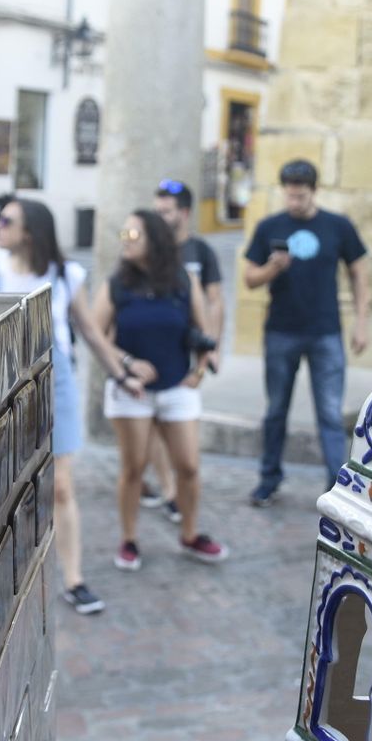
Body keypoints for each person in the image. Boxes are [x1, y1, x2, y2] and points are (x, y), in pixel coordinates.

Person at [0, 197, 129, 615]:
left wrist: (121, 374)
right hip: (1, 387)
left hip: (57, 382)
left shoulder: (65, 273)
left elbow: (89, 331)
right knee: (1, 486)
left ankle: (73, 578)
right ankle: (7, 575)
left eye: (7, 220)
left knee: (61, 485)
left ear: (30, 231)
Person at [92, 210, 228, 571]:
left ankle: (190, 534)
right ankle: (129, 539)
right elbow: (96, 336)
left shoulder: (183, 280)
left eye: (133, 234)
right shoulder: (116, 283)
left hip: (177, 386)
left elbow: (205, 334)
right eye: (123, 233)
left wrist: (199, 372)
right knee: (134, 468)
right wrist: (127, 363)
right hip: (131, 391)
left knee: (189, 466)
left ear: (155, 240)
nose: (125, 240)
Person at [243, 159, 370, 506]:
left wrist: (361, 322)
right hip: (281, 331)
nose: (294, 202)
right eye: (289, 195)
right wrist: (273, 268)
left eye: (300, 196)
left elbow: (359, 273)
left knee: (330, 413)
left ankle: (337, 486)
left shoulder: (337, 226)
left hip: (325, 332)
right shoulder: (270, 226)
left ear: (314, 191)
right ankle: (269, 479)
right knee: (275, 411)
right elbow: (250, 279)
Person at [140, 179, 224, 524]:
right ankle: (169, 489)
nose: (159, 217)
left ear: (185, 213)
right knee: (154, 423)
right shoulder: (146, 249)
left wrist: (212, 348)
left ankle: (179, 483)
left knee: (180, 420)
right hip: (153, 348)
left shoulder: (200, 251)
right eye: (156, 211)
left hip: (189, 349)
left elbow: (215, 301)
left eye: (166, 211)